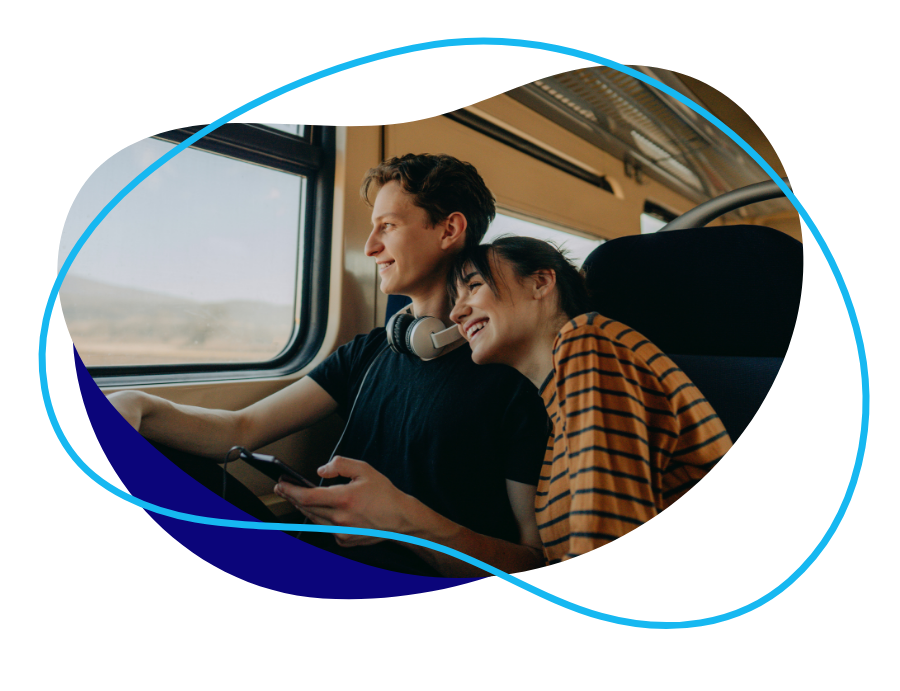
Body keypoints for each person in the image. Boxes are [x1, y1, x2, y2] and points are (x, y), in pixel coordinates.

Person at [107, 154, 549, 578]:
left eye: (387, 227)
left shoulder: (512, 375)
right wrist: (140, 403)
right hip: (310, 555)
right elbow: (238, 430)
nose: (371, 246)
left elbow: (532, 562)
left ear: (449, 229)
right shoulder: (371, 351)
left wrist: (404, 519)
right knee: (158, 457)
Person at [447, 236, 733, 566]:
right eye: (455, 297)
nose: (456, 312)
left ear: (541, 283)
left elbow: (608, 529)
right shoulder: (557, 408)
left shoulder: (586, 341)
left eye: (474, 285)